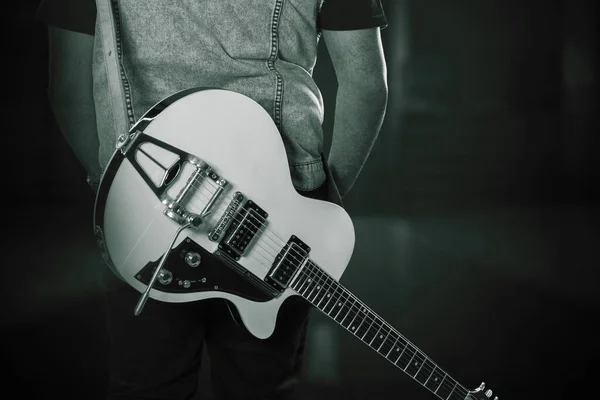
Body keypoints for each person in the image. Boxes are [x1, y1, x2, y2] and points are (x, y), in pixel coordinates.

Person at [37, 0, 388, 398]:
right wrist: (316, 209)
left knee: (149, 386)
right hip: (279, 217)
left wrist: (118, 188)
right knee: (260, 386)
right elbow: (366, 84)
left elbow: (67, 89)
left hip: (143, 212)